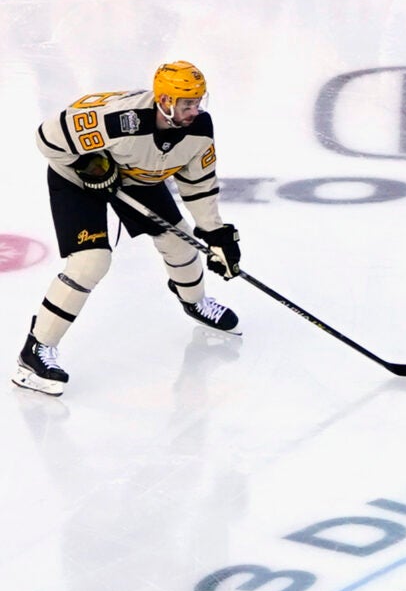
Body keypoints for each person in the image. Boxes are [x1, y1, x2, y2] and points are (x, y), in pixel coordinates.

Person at [14, 62, 241, 396]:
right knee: (91, 262)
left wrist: (215, 233)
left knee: (182, 244)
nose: (195, 109)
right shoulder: (119, 121)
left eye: (197, 101)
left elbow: (199, 185)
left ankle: (194, 301)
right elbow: (47, 137)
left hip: (135, 173)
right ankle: (34, 353)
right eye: (187, 103)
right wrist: (85, 164)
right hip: (77, 177)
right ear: (165, 101)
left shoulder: (198, 130)